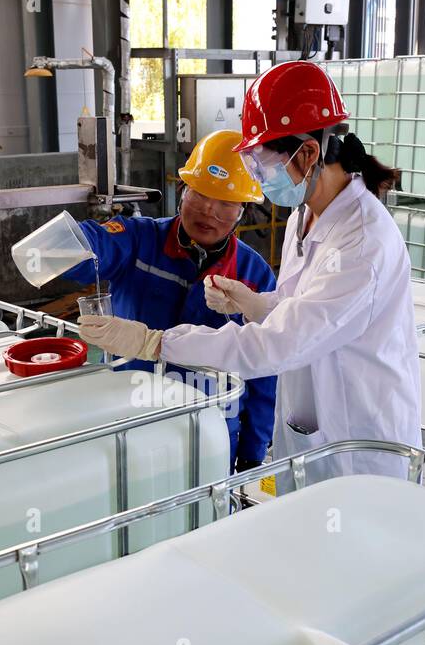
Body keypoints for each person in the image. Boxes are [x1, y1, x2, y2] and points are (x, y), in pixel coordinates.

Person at [78, 60, 422, 486]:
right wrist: (260, 304)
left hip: (357, 445)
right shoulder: (305, 216)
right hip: (310, 435)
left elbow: (277, 346)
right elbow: (303, 312)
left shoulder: (363, 245)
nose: (259, 178)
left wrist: (155, 342)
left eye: (262, 162)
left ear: (309, 153)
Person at [61, 129, 277, 474]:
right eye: (201, 194)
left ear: (242, 211)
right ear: (182, 192)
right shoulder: (139, 240)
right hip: (135, 412)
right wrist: (66, 246)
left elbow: (266, 368)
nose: (209, 211)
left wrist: (254, 449)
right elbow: (96, 248)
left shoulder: (254, 275)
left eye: (225, 202)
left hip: (215, 425)